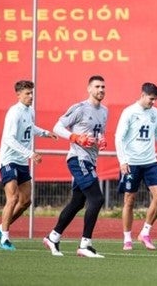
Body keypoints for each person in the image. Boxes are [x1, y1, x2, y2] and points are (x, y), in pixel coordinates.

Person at [42, 75, 108, 258]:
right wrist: (75, 137)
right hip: (78, 159)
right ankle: (85, 245)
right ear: (89, 89)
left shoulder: (104, 111)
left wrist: (101, 140)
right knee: (97, 199)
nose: (101, 90)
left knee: (78, 202)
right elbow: (57, 127)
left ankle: (53, 237)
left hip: (90, 159)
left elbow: (99, 132)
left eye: (103, 87)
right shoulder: (79, 108)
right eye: (97, 86)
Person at [0, 80, 57, 251]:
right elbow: (9, 138)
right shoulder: (14, 112)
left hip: (21, 161)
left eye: (32, 93)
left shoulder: (30, 111)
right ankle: (4, 239)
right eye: (27, 93)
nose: (31, 96)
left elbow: (30, 127)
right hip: (8, 160)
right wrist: (30, 153)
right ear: (18, 94)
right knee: (12, 198)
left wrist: (44, 133)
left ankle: (0, 228)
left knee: (26, 201)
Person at [115, 82, 157, 251]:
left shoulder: (156, 113)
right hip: (131, 162)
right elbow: (119, 137)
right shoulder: (129, 112)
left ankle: (145, 232)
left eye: (155, 100)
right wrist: (122, 160)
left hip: (150, 162)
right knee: (129, 200)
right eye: (151, 99)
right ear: (142, 95)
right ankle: (127, 239)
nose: (153, 102)